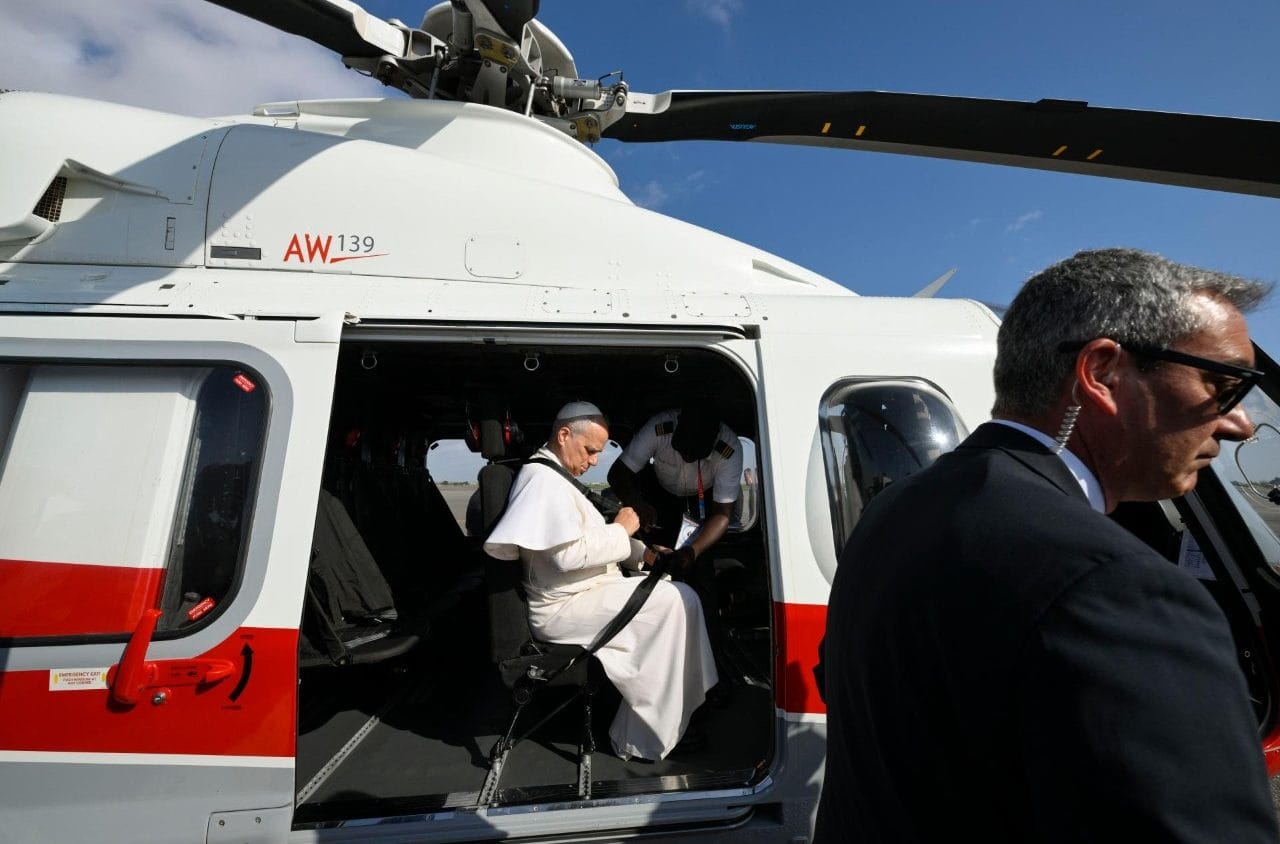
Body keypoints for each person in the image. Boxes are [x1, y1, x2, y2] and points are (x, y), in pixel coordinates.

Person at [815, 248, 1277, 842]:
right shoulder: (1119, 585)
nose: (1238, 422)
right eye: (1222, 383)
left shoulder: (891, 512)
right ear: (1103, 372)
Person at [483, 401, 717, 762]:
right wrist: (622, 530)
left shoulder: (559, 478)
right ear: (564, 436)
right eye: (590, 450)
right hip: (563, 608)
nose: (594, 461)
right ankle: (642, 737)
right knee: (671, 601)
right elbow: (566, 556)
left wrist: (644, 554)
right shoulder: (541, 480)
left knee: (681, 594)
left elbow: (593, 539)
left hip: (586, 593)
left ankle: (680, 706)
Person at [607, 404, 743, 574]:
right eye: (682, 450)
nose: (686, 458)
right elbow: (617, 474)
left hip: (705, 499)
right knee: (655, 557)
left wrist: (693, 551)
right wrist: (638, 504)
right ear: (677, 425)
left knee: (700, 566)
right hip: (660, 493)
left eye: (694, 455)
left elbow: (722, 513)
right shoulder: (658, 429)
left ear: (714, 439)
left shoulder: (729, 449)